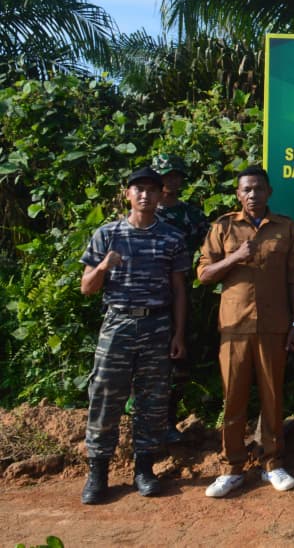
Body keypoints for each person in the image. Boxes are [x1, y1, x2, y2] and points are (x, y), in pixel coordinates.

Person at [79, 166, 190, 504]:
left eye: (151, 190)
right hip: (118, 324)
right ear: (127, 194)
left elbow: (179, 290)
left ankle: (144, 469)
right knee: (105, 396)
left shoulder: (172, 237)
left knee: (152, 399)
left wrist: (179, 334)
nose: (145, 195)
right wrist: (103, 266)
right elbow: (86, 288)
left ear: (160, 194)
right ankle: (98, 472)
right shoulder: (107, 234)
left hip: (157, 325)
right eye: (138, 189)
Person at [197, 165, 294, 497]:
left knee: (273, 397)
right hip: (235, 326)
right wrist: (235, 258)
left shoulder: (286, 228)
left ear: (269, 192)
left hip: (275, 326)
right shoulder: (224, 227)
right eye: (247, 189)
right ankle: (232, 467)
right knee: (234, 398)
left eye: (259, 188)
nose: (253, 194)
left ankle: (272, 463)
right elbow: (204, 274)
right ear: (238, 194)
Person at [151, 153, 210, 443]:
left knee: (179, 361)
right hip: (147, 295)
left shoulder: (192, 215)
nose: (171, 181)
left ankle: (169, 421)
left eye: (176, 175)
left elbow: (210, 246)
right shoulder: (144, 213)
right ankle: (140, 422)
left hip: (180, 294)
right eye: (166, 175)